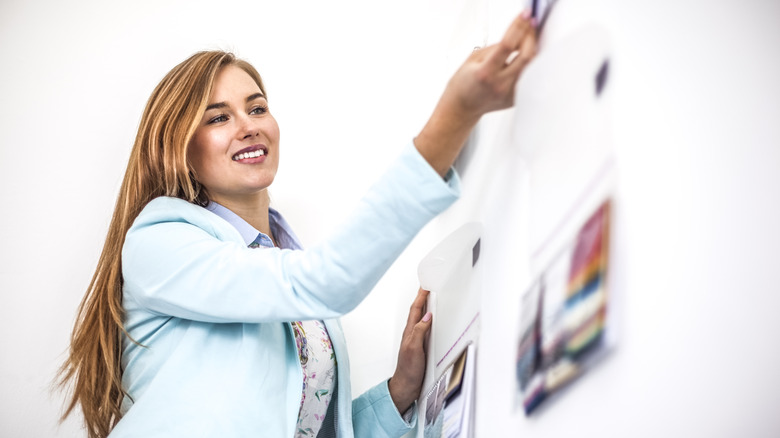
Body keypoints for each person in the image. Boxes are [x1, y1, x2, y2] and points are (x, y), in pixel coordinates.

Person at [58, 11, 537, 438]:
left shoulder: (286, 271)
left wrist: (398, 392)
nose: (249, 125)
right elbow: (327, 280)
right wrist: (453, 118)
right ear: (178, 148)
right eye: (218, 117)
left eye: (257, 107)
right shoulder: (159, 242)